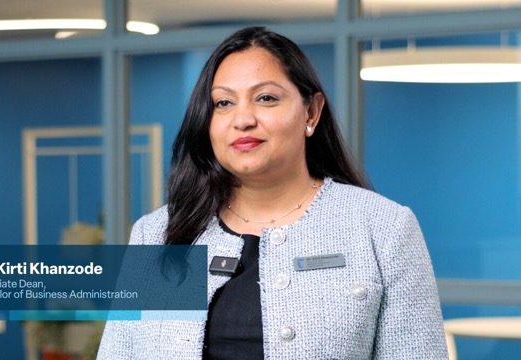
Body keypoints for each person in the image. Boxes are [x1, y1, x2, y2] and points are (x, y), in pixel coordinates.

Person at [97, 26, 448, 359]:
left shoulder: (382, 229)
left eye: (265, 98)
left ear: (311, 112)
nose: (243, 119)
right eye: (223, 103)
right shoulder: (160, 234)